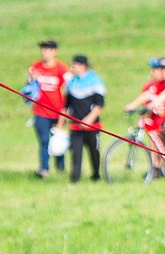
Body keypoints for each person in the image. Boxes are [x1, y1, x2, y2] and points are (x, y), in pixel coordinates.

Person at [26, 40, 68, 178]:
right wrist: (31, 79)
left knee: (58, 139)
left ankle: (60, 166)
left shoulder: (61, 68)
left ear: (54, 52)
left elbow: (68, 90)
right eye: (43, 50)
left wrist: (64, 114)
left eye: (48, 50)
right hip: (40, 111)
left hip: (57, 110)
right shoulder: (36, 66)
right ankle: (44, 168)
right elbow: (29, 86)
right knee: (44, 140)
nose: (44, 53)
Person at [64, 55, 106, 183]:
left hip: (92, 125)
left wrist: (89, 120)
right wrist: (61, 122)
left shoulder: (95, 81)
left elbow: (99, 104)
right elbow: (66, 104)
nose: (73, 68)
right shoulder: (71, 82)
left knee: (94, 151)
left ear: (83, 66)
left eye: (75, 65)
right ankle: (75, 178)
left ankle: (96, 175)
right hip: (76, 126)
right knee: (76, 152)